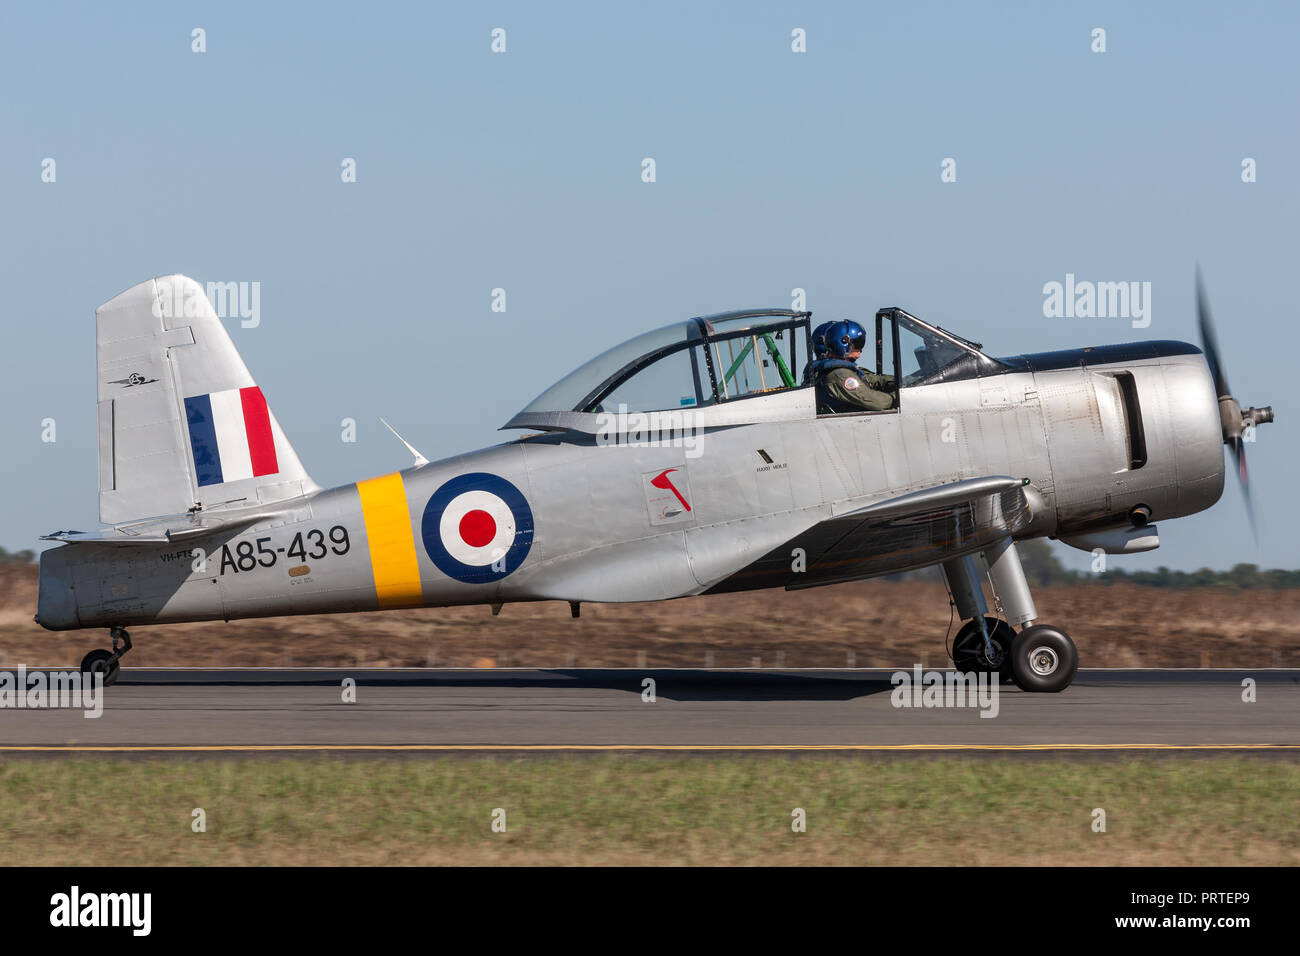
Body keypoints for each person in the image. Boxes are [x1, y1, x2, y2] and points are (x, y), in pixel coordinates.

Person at [815, 320, 896, 412]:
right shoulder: (840, 375)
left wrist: (906, 381)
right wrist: (897, 396)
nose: (860, 349)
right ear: (844, 343)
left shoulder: (845, 370)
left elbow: (875, 380)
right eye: (858, 344)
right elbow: (876, 402)